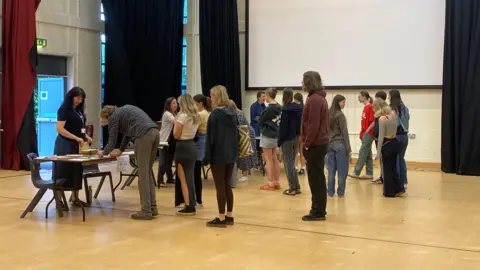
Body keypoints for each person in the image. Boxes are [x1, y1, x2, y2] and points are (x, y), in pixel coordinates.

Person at [99, 105, 159, 220]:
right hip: (155, 132)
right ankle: (153, 208)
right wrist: (121, 150)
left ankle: (146, 211)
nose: (105, 124)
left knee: (142, 174)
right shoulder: (123, 113)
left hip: (143, 135)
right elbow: (127, 134)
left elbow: (112, 140)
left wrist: (103, 152)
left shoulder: (113, 117)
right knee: (147, 172)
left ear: (106, 116)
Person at [204, 85, 238, 227]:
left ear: (216, 97)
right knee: (227, 185)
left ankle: (221, 217)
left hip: (218, 154)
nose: (210, 98)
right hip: (231, 154)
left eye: (211, 96)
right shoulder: (233, 113)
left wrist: (206, 157)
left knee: (220, 187)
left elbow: (210, 138)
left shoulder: (215, 115)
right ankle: (229, 215)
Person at [53, 87, 92, 208]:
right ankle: (59, 201)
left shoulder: (79, 111)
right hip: (64, 144)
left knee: (76, 170)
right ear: (71, 97)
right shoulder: (64, 110)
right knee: (63, 171)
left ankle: (75, 198)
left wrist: (85, 136)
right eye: (77, 98)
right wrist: (75, 137)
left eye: (81, 99)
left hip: (76, 145)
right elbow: (60, 129)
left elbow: (80, 128)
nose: (79, 101)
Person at [301, 71, 329, 221]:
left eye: (303, 80)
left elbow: (313, 124)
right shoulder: (319, 98)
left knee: (315, 178)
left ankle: (317, 211)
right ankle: (319, 209)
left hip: (315, 144)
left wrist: (306, 144)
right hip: (320, 143)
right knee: (318, 177)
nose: (301, 83)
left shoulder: (314, 100)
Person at [173, 94, 200, 216]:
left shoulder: (182, 116)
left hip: (182, 147)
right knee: (190, 177)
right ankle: (192, 203)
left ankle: (189, 205)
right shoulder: (196, 116)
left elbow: (176, 134)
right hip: (192, 146)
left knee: (183, 178)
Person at [374, 99, 405, 197]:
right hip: (395, 142)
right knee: (393, 167)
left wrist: (378, 154)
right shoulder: (394, 115)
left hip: (386, 143)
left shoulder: (382, 119)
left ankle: (389, 192)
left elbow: (380, 137)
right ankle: (399, 188)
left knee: (387, 170)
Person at [278, 88, 302, 195]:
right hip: (296, 137)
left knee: (288, 165)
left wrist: (279, 142)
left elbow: (283, 128)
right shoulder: (298, 108)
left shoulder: (285, 110)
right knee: (292, 163)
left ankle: (292, 188)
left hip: (287, 140)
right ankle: (296, 186)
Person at [326, 95, 351, 197]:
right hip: (340, 145)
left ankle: (330, 192)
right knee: (342, 171)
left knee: (331, 170)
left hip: (329, 145)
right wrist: (348, 149)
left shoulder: (328, 113)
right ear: (338, 103)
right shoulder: (340, 115)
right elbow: (344, 132)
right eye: (343, 102)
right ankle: (340, 192)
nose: (344, 104)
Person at [258, 88, 282, 190]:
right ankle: (276, 182)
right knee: (274, 158)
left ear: (268, 95)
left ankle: (270, 183)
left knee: (268, 160)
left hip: (267, 135)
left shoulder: (268, 109)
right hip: (276, 135)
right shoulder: (280, 107)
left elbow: (260, 121)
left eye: (265, 95)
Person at [349, 91, 374, 180]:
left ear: (364, 97)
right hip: (364, 133)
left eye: (359, 97)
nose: (358, 98)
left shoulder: (370, 107)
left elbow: (373, 121)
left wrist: (367, 131)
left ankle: (356, 172)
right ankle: (369, 173)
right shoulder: (365, 108)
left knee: (362, 152)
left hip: (368, 134)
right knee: (368, 153)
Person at [230, 99, 256, 183]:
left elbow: (240, 127)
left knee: (244, 155)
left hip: (246, 134)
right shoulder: (236, 113)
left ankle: (245, 175)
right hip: (243, 134)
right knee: (239, 156)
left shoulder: (238, 114)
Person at [389, 89, 410, 189]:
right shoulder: (405, 108)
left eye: (389, 96)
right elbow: (408, 118)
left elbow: (395, 123)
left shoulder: (393, 109)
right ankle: (404, 181)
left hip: (396, 136)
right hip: (405, 136)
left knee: (395, 160)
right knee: (401, 158)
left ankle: (396, 183)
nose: (388, 98)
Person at [193, 94, 210, 205]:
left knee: (196, 171)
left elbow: (194, 128)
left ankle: (197, 197)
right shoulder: (206, 113)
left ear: (199, 104)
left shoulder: (200, 114)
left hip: (199, 141)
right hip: (203, 140)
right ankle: (198, 197)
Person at [158, 97, 178, 186]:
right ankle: (160, 180)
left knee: (169, 162)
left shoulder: (174, 113)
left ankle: (169, 178)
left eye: (176, 103)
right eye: (173, 103)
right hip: (163, 141)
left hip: (170, 141)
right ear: (168, 105)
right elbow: (177, 122)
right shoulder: (167, 114)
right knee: (163, 163)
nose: (176, 104)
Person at [372, 91, 387, 184]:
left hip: (383, 138)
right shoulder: (379, 111)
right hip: (378, 137)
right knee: (382, 159)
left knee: (383, 158)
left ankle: (384, 177)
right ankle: (382, 176)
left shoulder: (385, 111)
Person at [250, 91, 266, 169]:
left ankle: (261, 162)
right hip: (255, 129)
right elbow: (253, 118)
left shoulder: (264, 106)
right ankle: (254, 163)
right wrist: (263, 118)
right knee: (255, 147)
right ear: (259, 97)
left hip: (262, 129)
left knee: (262, 147)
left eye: (265, 96)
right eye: (263, 96)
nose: (264, 98)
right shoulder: (253, 106)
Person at [294, 93, 306, 175]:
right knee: (302, 151)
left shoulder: (295, 108)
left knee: (296, 151)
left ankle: (295, 167)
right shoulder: (305, 108)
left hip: (296, 132)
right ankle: (303, 168)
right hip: (303, 132)